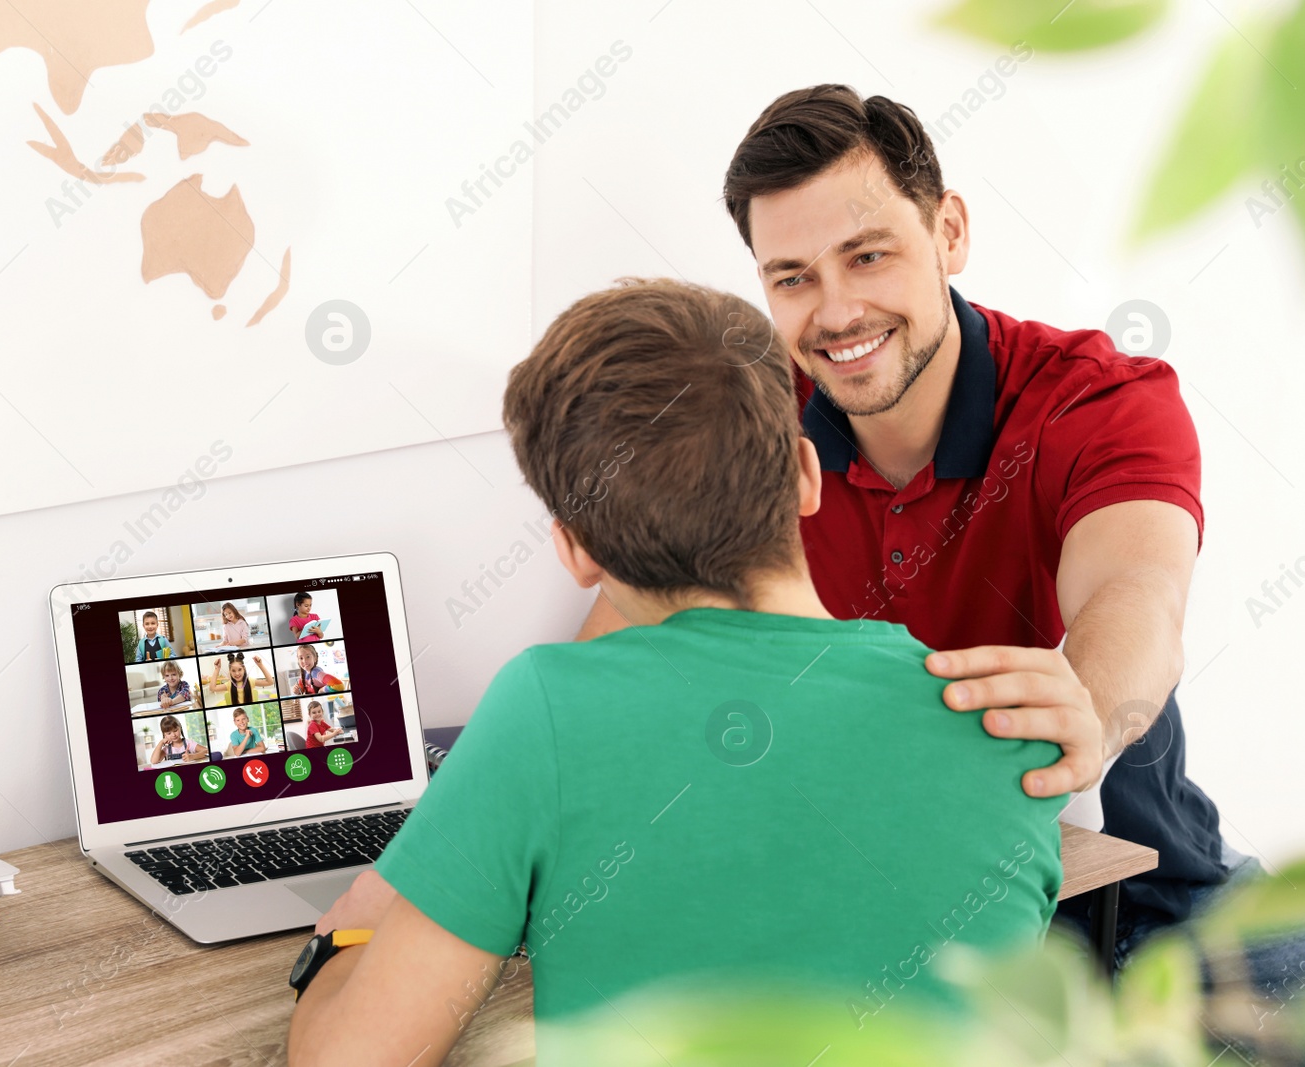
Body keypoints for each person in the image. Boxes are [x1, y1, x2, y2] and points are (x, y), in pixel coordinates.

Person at [616, 82, 1305, 987]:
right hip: (911, 931)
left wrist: (1082, 712)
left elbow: (1138, 599)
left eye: (868, 255)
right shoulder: (749, 436)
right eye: (792, 278)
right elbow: (620, 649)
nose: (835, 313)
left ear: (948, 231)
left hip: (1156, 897)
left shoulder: (1098, 398)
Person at [286, 279, 1066, 1066]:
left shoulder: (548, 708)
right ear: (804, 472)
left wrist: (343, 940)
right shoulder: (1019, 724)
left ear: (576, 550)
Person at [204, 652, 275, 705]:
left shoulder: (250, 681)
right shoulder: (229, 684)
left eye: (239, 669)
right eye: (233, 671)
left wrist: (260, 665)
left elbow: (270, 682)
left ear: (244, 669)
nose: (237, 673)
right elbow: (212, 688)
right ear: (230, 672)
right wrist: (217, 669)